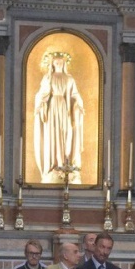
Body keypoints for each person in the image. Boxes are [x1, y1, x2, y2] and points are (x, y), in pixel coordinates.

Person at [32, 49, 85, 179]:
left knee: (66, 133)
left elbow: (75, 94)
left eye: (61, 62)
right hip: (53, 108)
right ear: (52, 64)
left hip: (64, 107)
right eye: (56, 62)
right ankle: (54, 164)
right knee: (53, 134)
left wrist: (79, 105)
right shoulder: (48, 77)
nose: (59, 64)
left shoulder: (69, 78)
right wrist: (40, 104)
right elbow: (42, 93)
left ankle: (65, 164)